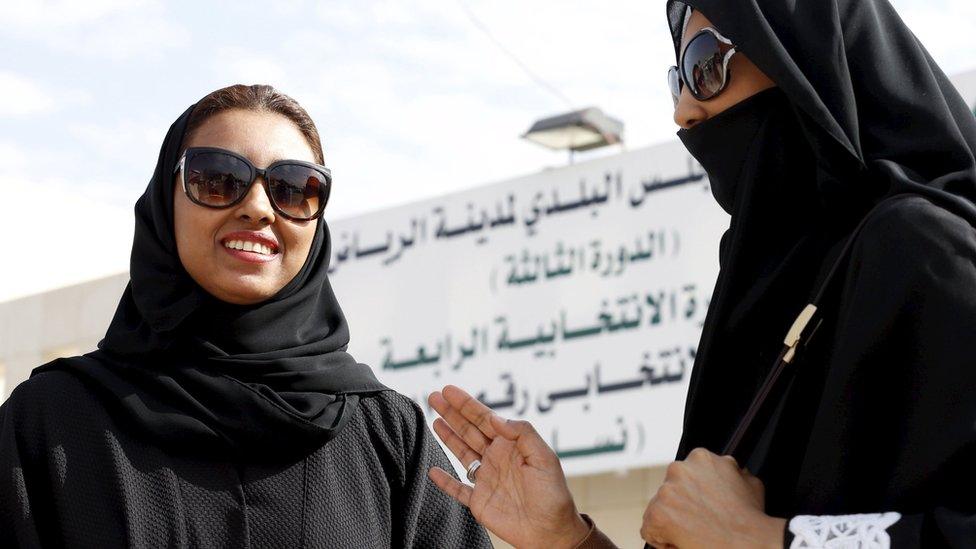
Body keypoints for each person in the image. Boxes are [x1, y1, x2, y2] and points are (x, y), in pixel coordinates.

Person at [426, 0, 976, 547]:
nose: (683, 112)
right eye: (679, 79)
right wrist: (567, 539)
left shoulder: (924, 251)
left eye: (707, 65)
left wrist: (767, 539)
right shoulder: (766, 291)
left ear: (802, 59)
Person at [0, 84, 492, 548]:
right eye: (218, 179)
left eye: (294, 188)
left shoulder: (387, 434)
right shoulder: (51, 421)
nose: (259, 208)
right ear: (162, 204)